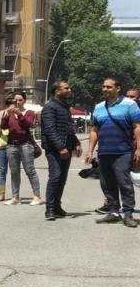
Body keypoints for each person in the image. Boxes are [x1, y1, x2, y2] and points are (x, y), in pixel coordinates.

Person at [87, 77, 140, 227]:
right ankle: (113, 212)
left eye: (109, 87)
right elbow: (94, 130)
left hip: (123, 151)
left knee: (124, 183)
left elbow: (137, 127)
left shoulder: (130, 104)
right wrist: (90, 151)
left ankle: (128, 214)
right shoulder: (98, 107)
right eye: (103, 86)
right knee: (107, 183)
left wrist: (139, 149)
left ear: (118, 88)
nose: (105, 89)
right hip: (104, 151)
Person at [40, 80, 81, 221]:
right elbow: (50, 130)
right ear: (57, 91)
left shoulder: (64, 107)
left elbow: (68, 129)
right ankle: (50, 209)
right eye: (66, 88)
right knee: (55, 177)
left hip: (67, 147)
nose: (69, 90)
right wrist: (60, 147)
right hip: (54, 149)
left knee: (62, 179)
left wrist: (76, 142)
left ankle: (57, 206)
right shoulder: (50, 107)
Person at [1, 92, 43, 206]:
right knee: (14, 172)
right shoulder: (9, 113)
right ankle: (15, 197)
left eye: (20, 100)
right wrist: (6, 115)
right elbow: (3, 126)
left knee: (30, 170)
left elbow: (27, 125)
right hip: (11, 145)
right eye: (15, 100)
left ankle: (37, 196)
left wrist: (19, 114)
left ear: (24, 101)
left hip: (26, 144)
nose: (17, 102)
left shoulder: (29, 113)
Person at [0, 97, 13, 202]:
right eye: (11, 104)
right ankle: (1, 194)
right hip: (2, 145)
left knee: (14, 170)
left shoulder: (18, 113)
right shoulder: (2, 113)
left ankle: (15, 194)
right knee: (2, 170)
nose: (13, 106)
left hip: (14, 145)